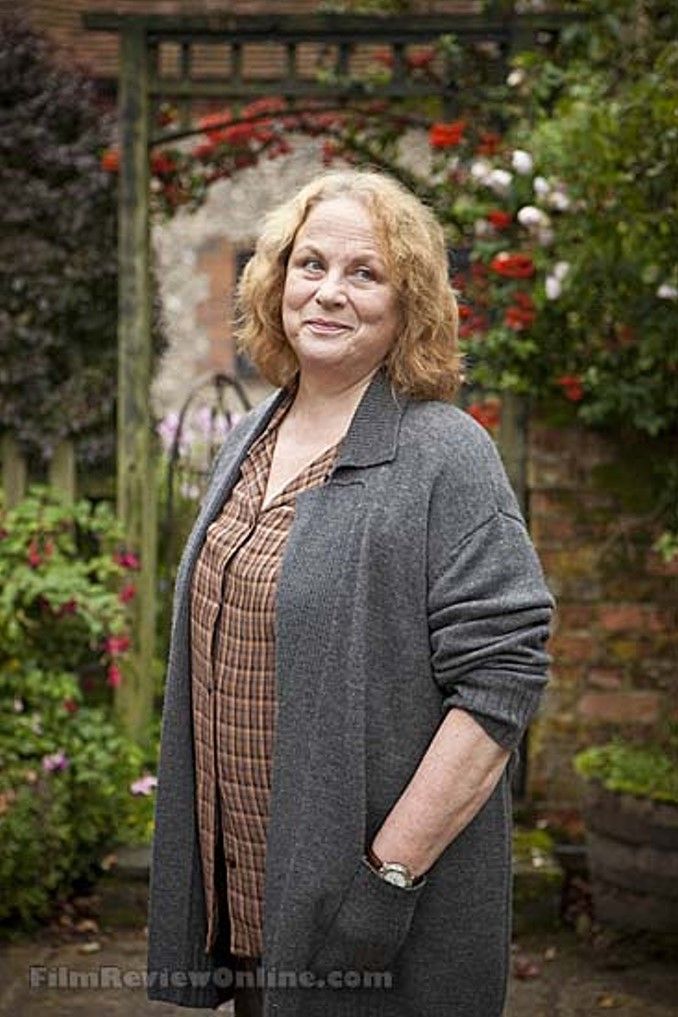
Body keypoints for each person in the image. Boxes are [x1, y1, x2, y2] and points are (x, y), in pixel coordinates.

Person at [147, 168, 555, 1017]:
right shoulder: (252, 436)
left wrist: (386, 880)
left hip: (374, 922)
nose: (329, 292)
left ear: (409, 305)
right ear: (276, 280)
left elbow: (501, 683)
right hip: (259, 908)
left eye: (364, 273)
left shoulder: (445, 453)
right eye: (310, 265)